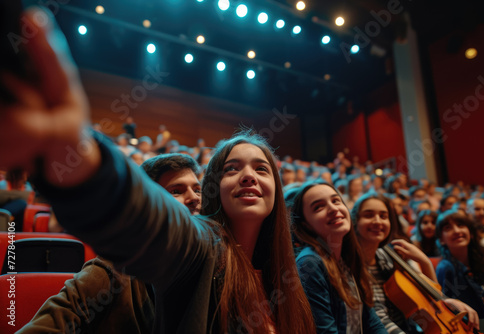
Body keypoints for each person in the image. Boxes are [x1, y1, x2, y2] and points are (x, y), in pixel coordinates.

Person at [1, 8, 315, 333]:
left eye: (262, 169)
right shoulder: (201, 249)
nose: (249, 175)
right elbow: (150, 222)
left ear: (277, 187)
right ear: (216, 190)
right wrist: (77, 159)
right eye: (232, 168)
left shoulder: (288, 276)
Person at [18, 153, 202, 333]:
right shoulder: (110, 272)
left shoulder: (213, 266)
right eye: (176, 191)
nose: (195, 198)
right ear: (147, 207)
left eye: (197, 189)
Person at [351, 193, 479, 334]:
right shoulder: (351, 264)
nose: (377, 221)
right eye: (368, 215)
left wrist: (424, 262)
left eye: (383, 216)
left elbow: (427, 300)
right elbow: (377, 318)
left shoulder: (386, 257)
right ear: (355, 221)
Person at [290, 181, 387, 334]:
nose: (334, 208)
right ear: (306, 225)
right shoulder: (309, 264)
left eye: (336, 200)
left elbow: (371, 321)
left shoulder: (346, 258)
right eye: (319, 207)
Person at [435, 212, 484, 319]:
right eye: (448, 228)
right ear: (441, 240)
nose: (457, 231)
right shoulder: (446, 268)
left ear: (471, 232)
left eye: (461, 225)